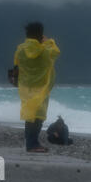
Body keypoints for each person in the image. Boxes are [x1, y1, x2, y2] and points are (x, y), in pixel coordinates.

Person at [14, 22, 60, 153]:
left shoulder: (20, 49)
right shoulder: (44, 50)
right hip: (40, 87)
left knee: (30, 116)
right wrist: (48, 41)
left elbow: (17, 63)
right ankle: (32, 144)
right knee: (38, 116)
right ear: (40, 35)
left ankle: (31, 142)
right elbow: (55, 52)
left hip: (25, 87)